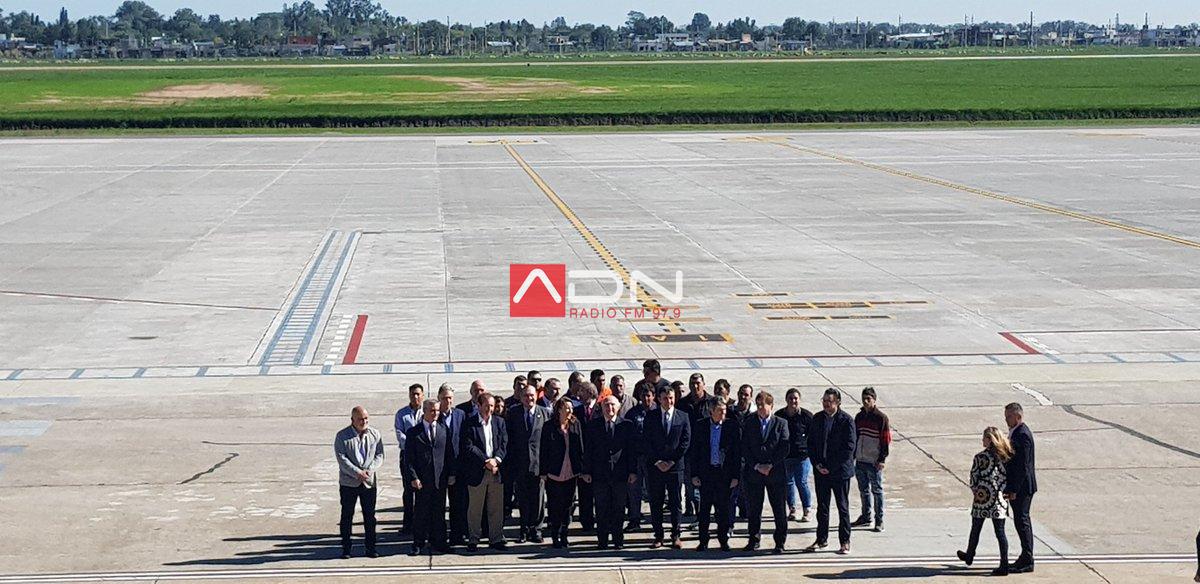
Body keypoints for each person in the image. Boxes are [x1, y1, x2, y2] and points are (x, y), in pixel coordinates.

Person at [805, 388, 856, 555]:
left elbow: (849, 448)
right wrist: (818, 464)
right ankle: (821, 539)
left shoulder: (846, 420)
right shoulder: (817, 419)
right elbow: (811, 443)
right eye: (824, 400)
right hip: (821, 471)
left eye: (830, 401)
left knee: (842, 507)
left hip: (839, 472)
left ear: (838, 402)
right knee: (823, 507)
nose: (826, 404)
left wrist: (831, 467)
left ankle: (845, 541)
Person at [956, 427, 1013, 576]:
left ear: (990, 439)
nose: (982, 440)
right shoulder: (1005, 457)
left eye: (984, 438)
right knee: (1000, 532)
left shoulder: (980, 457)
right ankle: (1004, 563)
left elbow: (973, 478)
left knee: (976, 528)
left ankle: (970, 555)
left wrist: (976, 490)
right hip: (999, 499)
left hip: (983, 497)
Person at [583, 395, 637, 549]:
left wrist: (632, 471)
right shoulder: (593, 426)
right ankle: (602, 540)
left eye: (613, 405)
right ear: (602, 408)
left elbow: (631, 451)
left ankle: (618, 540)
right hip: (600, 475)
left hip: (620, 474)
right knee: (601, 509)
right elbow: (588, 450)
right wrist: (586, 471)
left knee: (619, 509)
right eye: (606, 405)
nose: (610, 408)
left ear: (618, 407)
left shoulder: (626, 425)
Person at [403, 399, 455, 556]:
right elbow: (409, 458)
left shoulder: (443, 429)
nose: (435, 414)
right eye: (432, 411)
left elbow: (449, 454)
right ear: (424, 411)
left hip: (440, 479)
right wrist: (413, 477)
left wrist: (451, 474)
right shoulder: (414, 432)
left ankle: (438, 541)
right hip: (422, 480)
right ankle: (418, 542)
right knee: (421, 512)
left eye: (437, 411)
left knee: (439, 513)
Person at [742, 391, 790, 554]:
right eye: (759, 405)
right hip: (754, 473)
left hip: (774, 473)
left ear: (771, 405)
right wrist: (756, 465)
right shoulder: (749, 421)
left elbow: (784, 447)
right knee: (754, 509)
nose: (761, 408)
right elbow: (745, 447)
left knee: (779, 510)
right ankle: (754, 539)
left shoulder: (781, 423)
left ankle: (780, 542)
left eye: (764, 405)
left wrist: (770, 464)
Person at [644, 384, 691, 549]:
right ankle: (658, 535)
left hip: (675, 467)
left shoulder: (683, 417)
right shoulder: (651, 416)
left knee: (675, 502)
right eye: (665, 398)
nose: (669, 401)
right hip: (656, 467)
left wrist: (671, 461)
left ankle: (676, 534)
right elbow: (646, 441)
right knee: (656, 502)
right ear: (659, 399)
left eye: (671, 398)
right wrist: (658, 461)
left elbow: (685, 442)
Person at [460, 391, 508, 551]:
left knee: (496, 508)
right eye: (486, 406)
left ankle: (496, 538)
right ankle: (473, 539)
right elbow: (468, 446)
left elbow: (504, 444)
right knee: (475, 509)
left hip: (496, 471)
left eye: (492, 406)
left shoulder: (499, 422)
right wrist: (486, 461)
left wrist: (496, 460)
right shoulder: (469, 423)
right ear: (479, 406)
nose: (490, 409)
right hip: (478, 472)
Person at [689, 399, 740, 551]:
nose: (723, 413)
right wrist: (694, 474)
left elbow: (736, 453)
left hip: (724, 474)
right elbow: (694, 453)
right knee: (704, 510)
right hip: (706, 474)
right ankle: (703, 540)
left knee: (723, 510)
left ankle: (723, 540)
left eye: (724, 410)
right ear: (711, 411)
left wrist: (735, 476)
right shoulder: (700, 426)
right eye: (719, 410)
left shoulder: (731, 426)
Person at [334, 406, 384, 559]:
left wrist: (370, 470)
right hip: (349, 483)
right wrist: (357, 473)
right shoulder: (342, 436)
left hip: (368, 482)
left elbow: (379, 455)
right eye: (361, 419)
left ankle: (370, 547)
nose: (364, 422)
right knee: (347, 515)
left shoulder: (375, 434)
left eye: (366, 419)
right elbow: (341, 459)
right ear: (352, 420)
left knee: (370, 516)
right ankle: (346, 547)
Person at [506, 383, 551, 543]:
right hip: (520, 464)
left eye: (532, 395)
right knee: (523, 499)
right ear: (521, 397)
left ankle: (537, 530)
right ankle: (524, 530)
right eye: (526, 395)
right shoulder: (513, 413)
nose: (529, 398)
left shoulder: (545, 413)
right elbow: (509, 439)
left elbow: (547, 442)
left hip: (539, 465)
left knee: (538, 500)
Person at [540, 397, 585, 549]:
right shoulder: (549, 426)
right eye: (567, 408)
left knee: (568, 505)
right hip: (554, 472)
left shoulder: (575, 424)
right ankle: (555, 535)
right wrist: (543, 472)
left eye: (571, 408)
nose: (570, 411)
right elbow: (543, 451)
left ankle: (565, 534)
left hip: (570, 472)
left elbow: (580, 448)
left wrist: (581, 469)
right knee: (554, 506)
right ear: (559, 409)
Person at [1003, 402, 1038, 573]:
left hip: (1023, 488)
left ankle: (1027, 558)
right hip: (1019, 486)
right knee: (1020, 520)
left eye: (1009, 416)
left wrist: (1014, 489)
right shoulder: (1015, 432)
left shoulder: (1022, 435)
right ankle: (1025, 556)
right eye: (1006, 416)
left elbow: (1022, 467)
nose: (1007, 419)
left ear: (1018, 416)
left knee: (1022, 521)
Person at [852, 387, 891, 532]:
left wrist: (882, 459)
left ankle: (879, 520)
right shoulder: (859, 417)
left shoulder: (881, 418)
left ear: (874, 400)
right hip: (861, 459)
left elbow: (885, 440)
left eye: (869, 399)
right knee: (863, 490)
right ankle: (865, 516)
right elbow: (855, 437)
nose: (866, 401)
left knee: (877, 490)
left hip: (874, 461)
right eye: (864, 399)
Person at [775, 388, 813, 524]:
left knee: (801, 482)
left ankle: (807, 509)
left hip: (802, 457)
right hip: (786, 456)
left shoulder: (807, 416)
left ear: (799, 400)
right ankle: (792, 508)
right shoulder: (779, 415)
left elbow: (813, 435)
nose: (793, 401)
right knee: (788, 483)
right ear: (786, 400)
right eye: (790, 398)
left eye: (795, 398)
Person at [437, 384, 469, 546]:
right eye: (444, 398)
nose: (447, 401)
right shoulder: (434, 416)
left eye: (450, 398)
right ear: (439, 399)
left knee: (458, 504)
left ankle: (458, 534)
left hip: (458, 467)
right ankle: (439, 536)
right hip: (440, 468)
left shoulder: (460, 415)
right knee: (439, 504)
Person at [624, 385, 656, 532]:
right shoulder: (632, 413)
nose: (646, 399)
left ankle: (656, 521)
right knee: (634, 490)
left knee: (654, 490)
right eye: (643, 396)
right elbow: (628, 438)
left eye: (648, 395)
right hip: (636, 458)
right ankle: (634, 519)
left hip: (654, 459)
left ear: (653, 396)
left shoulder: (659, 411)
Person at [394, 383, 424, 535]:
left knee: (421, 491)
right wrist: (415, 443)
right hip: (407, 456)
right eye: (413, 394)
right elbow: (400, 435)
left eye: (418, 394)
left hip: (423, 458)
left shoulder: (427, 412)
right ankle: (408, 524)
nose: (415, 397)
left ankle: (421, 522)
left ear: (422, 395)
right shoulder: (402, 414)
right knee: (408, 490)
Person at [573, 382, 602, 533]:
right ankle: (587, 522)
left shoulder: (602, 409)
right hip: (583, 459)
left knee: (600, 493)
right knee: (584, 494)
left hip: (599, 459)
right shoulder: (576, 411)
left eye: (582, 392)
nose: (579, 395)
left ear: (590, 393)